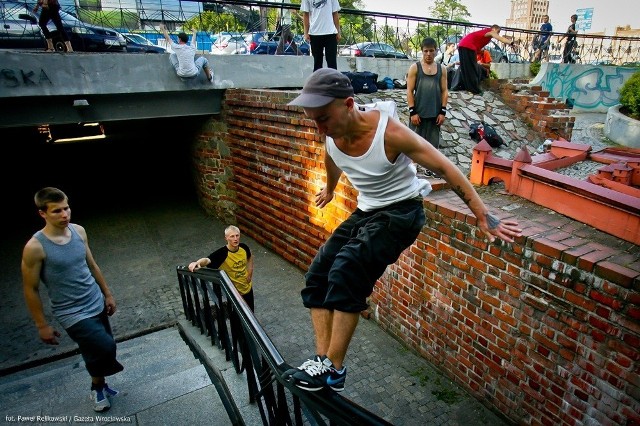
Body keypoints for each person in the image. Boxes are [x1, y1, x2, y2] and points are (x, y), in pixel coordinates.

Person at [283, 68, 522, 392]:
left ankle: (334, 370)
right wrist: (329, 188)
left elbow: (446, 167)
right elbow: (332, 160)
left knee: (348, 268)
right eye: (314, 120)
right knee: (318, 274)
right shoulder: (330, 133)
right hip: (368, 210)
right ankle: (322, 361)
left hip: (402, 212)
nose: (320, 128)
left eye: (323, 118)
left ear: (349, 104)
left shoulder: (390, 134)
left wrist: (484, 216)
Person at [21, 187, 123, 412]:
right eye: (57, 211)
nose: (65, 214)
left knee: (94, 350)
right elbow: (30, 288)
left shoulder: (79, 231)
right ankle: (98, 385)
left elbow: (91, 264)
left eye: (66, 208)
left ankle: (99, 386)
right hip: (71, 312)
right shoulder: (35, 247)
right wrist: (42, 325)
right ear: (42, 214)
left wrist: (107, 293)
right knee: (105, 347)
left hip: (95, 301)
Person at [188, 225, 255, 312]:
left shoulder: (243, 247)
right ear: (226, 238)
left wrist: (250, 273)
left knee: (251, 313)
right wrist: (197, 262)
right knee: (237, 318)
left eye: (237, 235)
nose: (235, 239)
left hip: (247, 288)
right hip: (234, 293)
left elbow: (250, 257)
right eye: (232, 236)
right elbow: (208, 260)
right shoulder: (222, 253)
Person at [406, 37, 448, 160]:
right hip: (418, 113)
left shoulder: (442, 69)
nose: (428, 54)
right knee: (414, 145)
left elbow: (445, 91)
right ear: (422, 51)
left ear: (435, 51)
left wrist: (442, 112)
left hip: (435, 115)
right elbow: (409, 90)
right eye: (425, 51)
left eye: (431, 50)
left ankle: (430, 169)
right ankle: (413, 171)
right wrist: (412, 112)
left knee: (433, 147)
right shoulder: (415, 67)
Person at [450, 25, 514, 95]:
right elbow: (501, 39)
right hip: (468, 47)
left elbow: (477, 47)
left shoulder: (484, 34)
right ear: (494, 28)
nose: (497, 34)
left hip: (462, 45)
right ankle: (474, 89)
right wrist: (511, 43)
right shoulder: (490, 31)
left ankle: (459, 86)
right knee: (472, 69)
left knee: (465, 68)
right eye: (498, 32)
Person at [300, 0, 341, 71]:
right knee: (317, 63)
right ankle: (317, 81)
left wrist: (338, 31)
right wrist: (306, 32)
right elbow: (306, 14)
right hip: (314, 33)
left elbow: (335, 13)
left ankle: (333, 81)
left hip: (330, 32)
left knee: (332, 63)